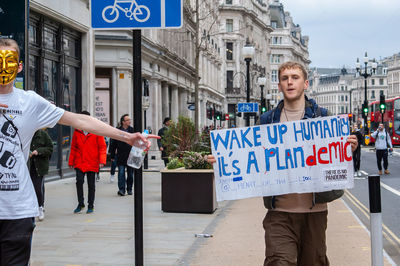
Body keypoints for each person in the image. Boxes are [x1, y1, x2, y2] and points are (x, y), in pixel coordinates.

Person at [0, 38, 159, 265]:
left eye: (9, 61)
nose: (4, 68)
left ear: (19, 66)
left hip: (17, 210)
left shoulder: (29, 102)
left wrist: (126, 137)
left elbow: (81, 120)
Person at [208, 61, 358, 266]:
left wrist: (347, 148)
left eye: (295, 78)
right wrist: (224, 160)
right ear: (279, 86)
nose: (290, 82)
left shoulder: (323, 118)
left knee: (314, 262)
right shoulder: (268, 120)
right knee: (279, 261)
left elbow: (334, 159)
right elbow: (253, 159)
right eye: (285, 79)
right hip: (279, 213)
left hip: (314, 213)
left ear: (305, 84)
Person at [68, 111, 107, 214]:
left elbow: (102, 147)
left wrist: (102, 161)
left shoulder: (96, 131)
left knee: (91, 185)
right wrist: (71, 161)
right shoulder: (77, 131)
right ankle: (81, 204)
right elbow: (74, 147)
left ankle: (91, 205)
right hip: (80, 162)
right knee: (79, 182)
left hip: (92, 162)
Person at [29, 128, 53, 221]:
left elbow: (50, 148)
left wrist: (38, 151)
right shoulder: (26, 132)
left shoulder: (43, 134)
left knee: (38, 187)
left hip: (39, 166)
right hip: (27, 166)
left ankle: (40, 207)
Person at [110, 114, 134, 196]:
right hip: (120, 155)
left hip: (130, 155)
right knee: (121, 173)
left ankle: (129, 189)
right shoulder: (118, 131)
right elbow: (113, 144)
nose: (129, 121)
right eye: (127, 120)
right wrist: (112, 155)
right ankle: (121, 189)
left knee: (130, 174)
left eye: (129, 120)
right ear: (123, 122)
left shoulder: (132, 130)